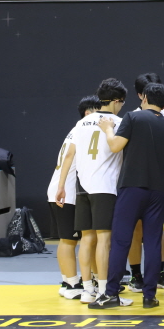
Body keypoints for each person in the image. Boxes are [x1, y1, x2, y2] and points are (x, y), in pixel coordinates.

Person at [92, 82, 164, 309]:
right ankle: (150, 296)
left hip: (132, 188)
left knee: (121, 241)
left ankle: (111, 294)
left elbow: (115, 146)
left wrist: (108, 128)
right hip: (158, 191)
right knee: (152, 243)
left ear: (144, 98)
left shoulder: (133, 117)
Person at [55, 79, 129, 305]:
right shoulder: (119, 122)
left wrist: (61, 186)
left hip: (81, 187)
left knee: (87, 239)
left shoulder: (82, 122)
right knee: (104, 240)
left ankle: (88, 289)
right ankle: (105, 291)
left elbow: (70, 154)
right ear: (116, 101)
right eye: (122, 102)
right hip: (104, 187)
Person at [127, 72, 164, 292]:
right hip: (136, 180)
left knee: (158, 230)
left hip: (158, 181)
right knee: (136, 230)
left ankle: (159, 273)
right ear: (141, 95)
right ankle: (136, 275)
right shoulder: (133, 117)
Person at [47, 95, 98, 300]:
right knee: (69, 240)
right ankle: (70, 283)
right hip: (65, 193)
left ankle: (81, 280)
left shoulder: (76, 130)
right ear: (88, 113)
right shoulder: (82, 130)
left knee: (76, 239)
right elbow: (70, 157)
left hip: (63, 191)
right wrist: (62, 187)